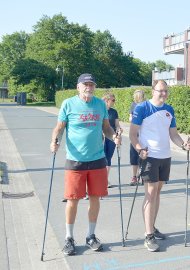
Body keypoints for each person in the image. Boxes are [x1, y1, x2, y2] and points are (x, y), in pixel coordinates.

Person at [50, 73, 121, 256]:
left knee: (95, 198)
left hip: (97, 159)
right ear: (78, 86)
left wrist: (113, 136)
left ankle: (90, 235)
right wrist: (55, 140)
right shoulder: (68, 104)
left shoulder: (100, 104)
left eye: (91, 84)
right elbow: (59, 127)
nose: (89, 87)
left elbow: (106, 127)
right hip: (75, 159)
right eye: (85, 84)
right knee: (73, 200)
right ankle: (69, 238)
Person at [129, 80, 190, 252]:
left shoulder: (169, 110)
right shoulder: (142, 108)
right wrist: (139, 149)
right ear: (153, 90)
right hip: (149, 156)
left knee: (157, 192)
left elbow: (173, 134)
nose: (163, 94)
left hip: (165, 156)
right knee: (150, 194)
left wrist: (183, 145)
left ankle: (152, 227)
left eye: (166, 91)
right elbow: (132, 134)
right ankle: (148, 235)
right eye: (160, 91)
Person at [102, 93, 122, 188]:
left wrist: (119, 129)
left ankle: (105, 179)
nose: (114, 102)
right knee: (102, 157)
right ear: (107, 100)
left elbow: (117, 124)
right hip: (101, 137)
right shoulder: (100, 110)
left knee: (108, 157)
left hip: (112, 136)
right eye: (113, 100)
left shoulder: (114, 112)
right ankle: (100, 179)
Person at [129, 89, 145, 186]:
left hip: (144, 133)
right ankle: (134, 176)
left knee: (144, 155)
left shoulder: (146, 105)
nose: (139, 96)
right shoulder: (133, 105)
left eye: (140, 95)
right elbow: (130, 117)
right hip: (135, 133)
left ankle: (143, 175)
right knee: (134, 155)